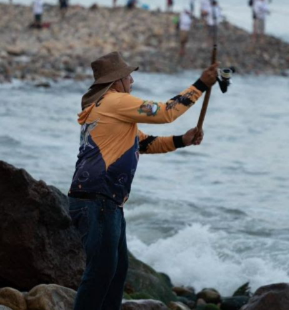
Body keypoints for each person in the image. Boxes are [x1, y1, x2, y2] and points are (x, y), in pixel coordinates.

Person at [68, 51, 218, 310]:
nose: (132, 81)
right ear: (117, 81)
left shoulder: (107, 110)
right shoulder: (115, 101)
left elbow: (145, 143)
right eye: (129, 76)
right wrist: (201, 85)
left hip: (105, 201)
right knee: (101, 273)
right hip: (98, 200)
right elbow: (165, 112)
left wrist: (183, 140)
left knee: (115, 273)